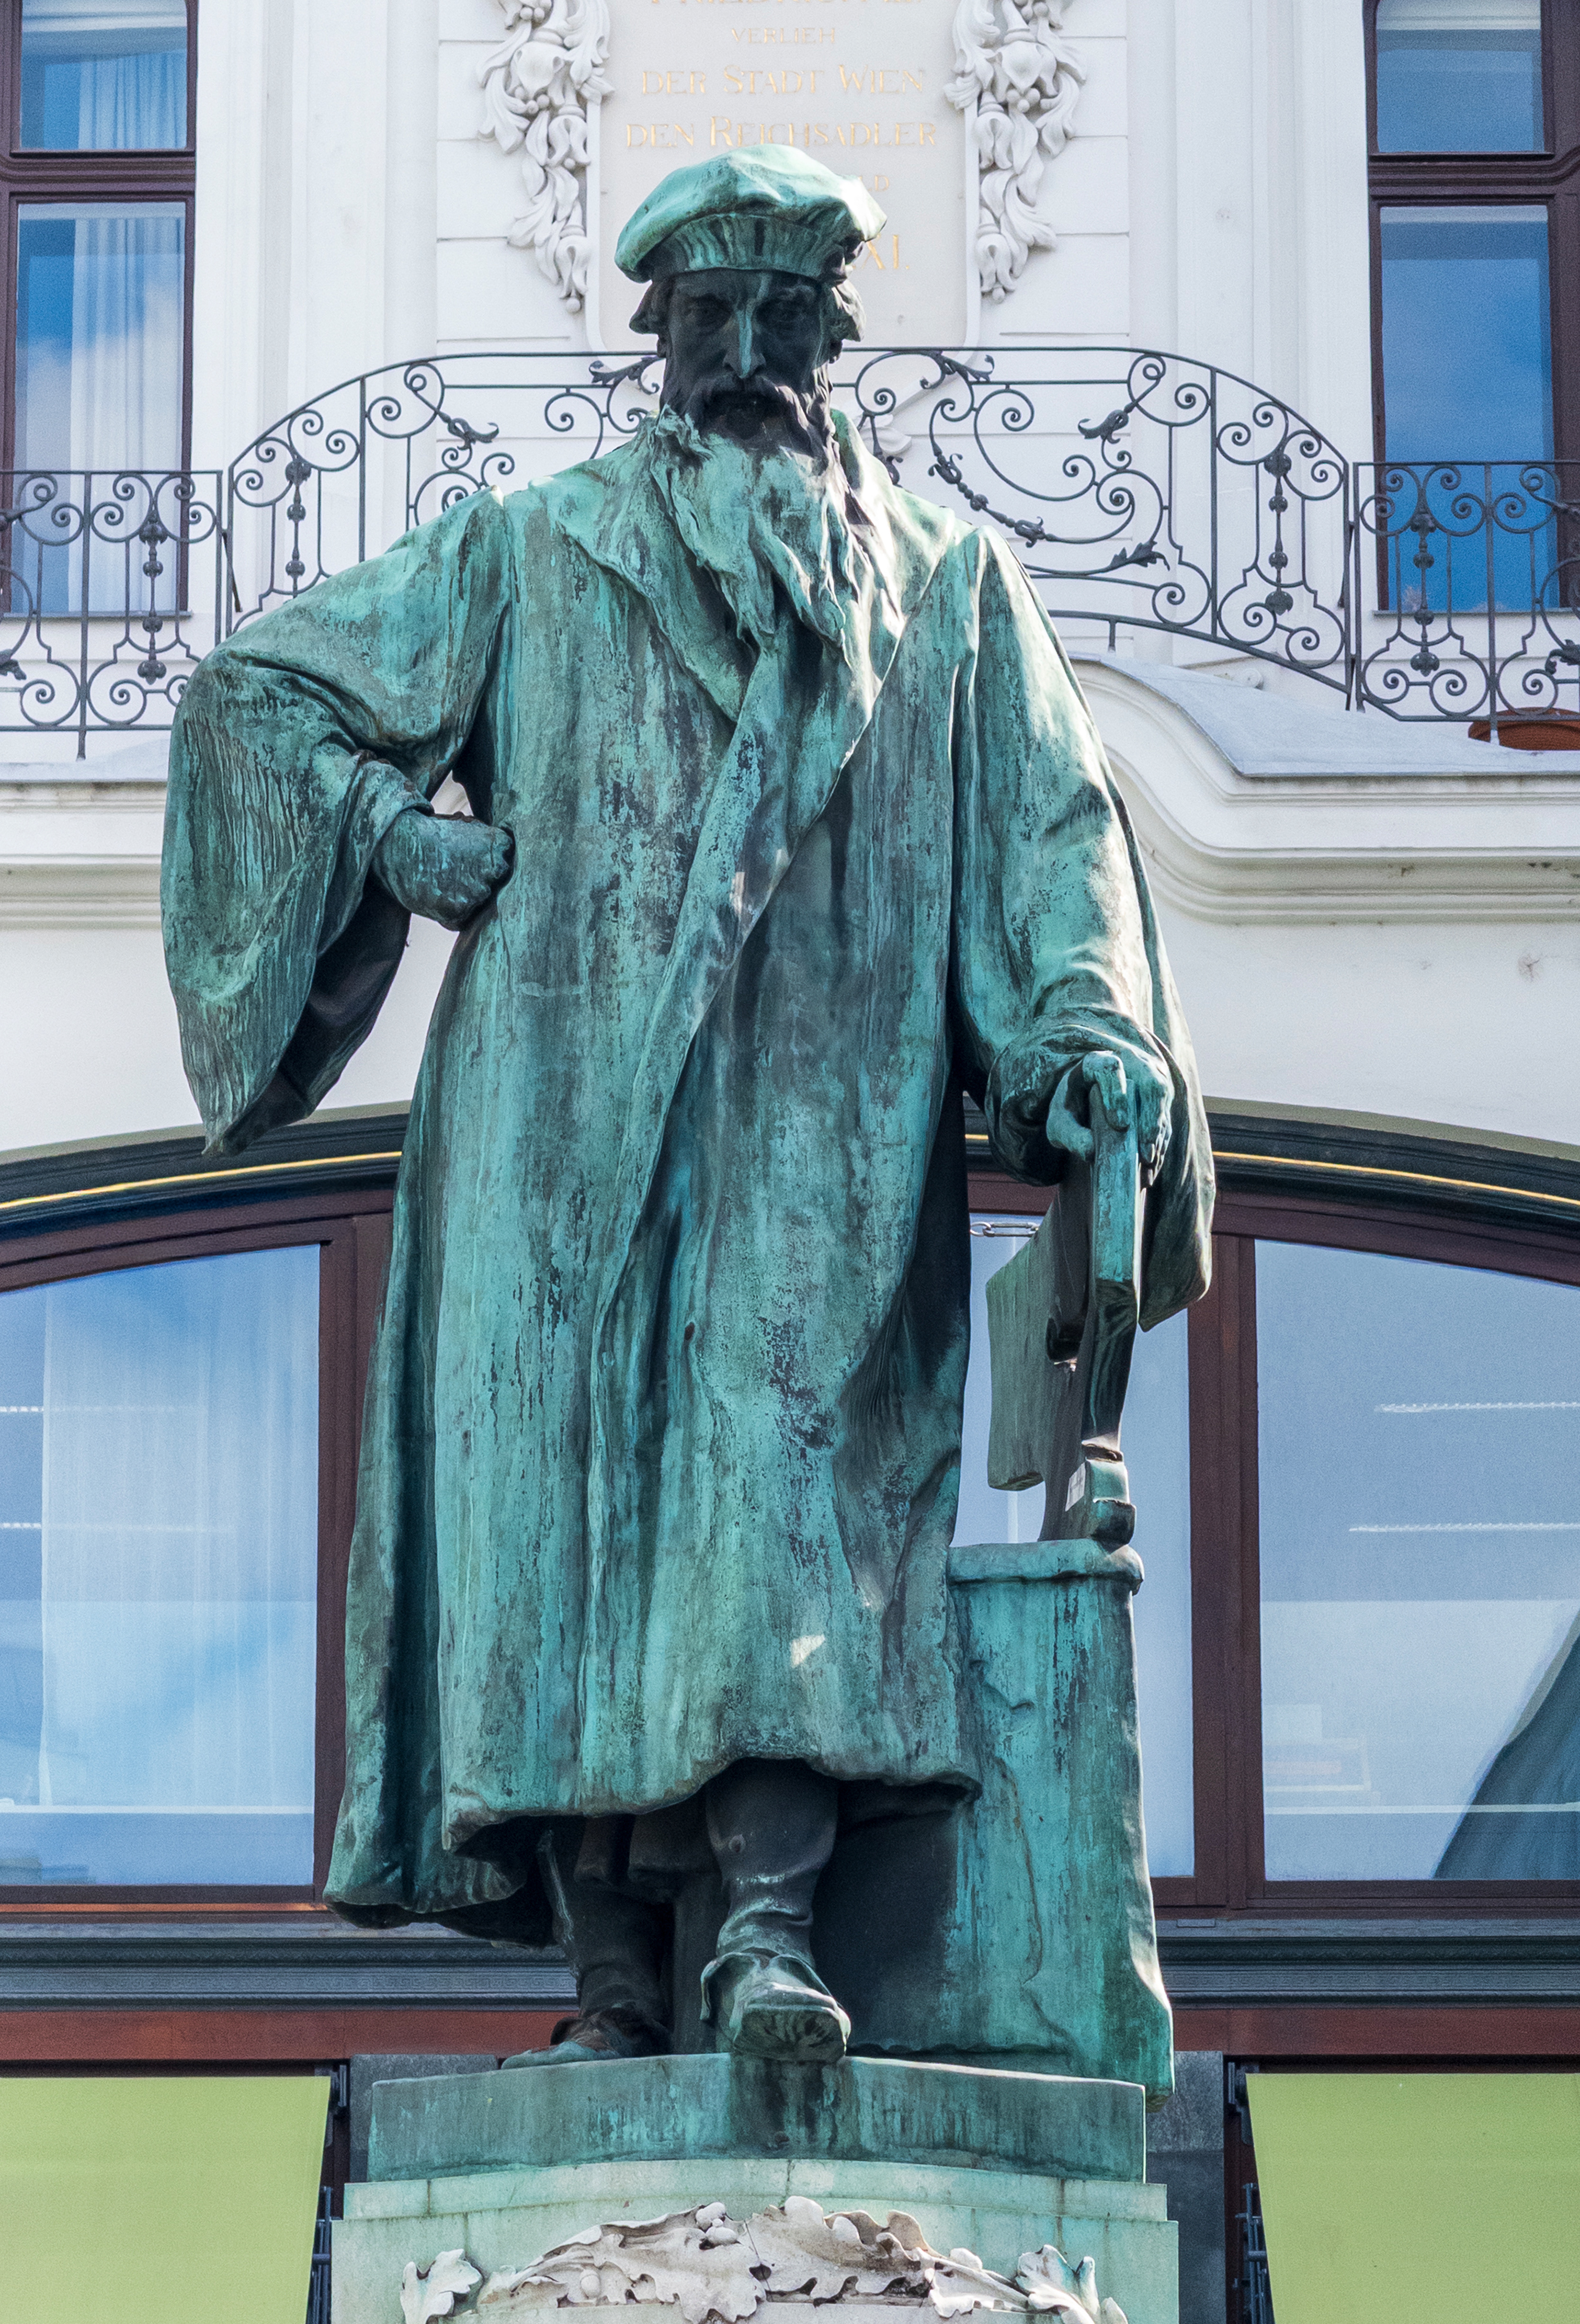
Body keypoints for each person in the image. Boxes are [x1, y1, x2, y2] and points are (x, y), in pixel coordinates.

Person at [162, 146, 1212, 2066]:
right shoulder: (528, 550)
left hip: (829, 1132)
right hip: (558, 1135)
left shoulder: (952, 594)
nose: (745, 355)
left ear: (840, 339)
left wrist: (1080, 1038)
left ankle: (772, 1940)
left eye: (784, 319)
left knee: (784, 1504)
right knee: (574, 1523)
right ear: (655, 342)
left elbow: (1054, 862)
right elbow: (254, 701)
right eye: (706, 318)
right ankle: (616, 1982)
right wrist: (399, 829)